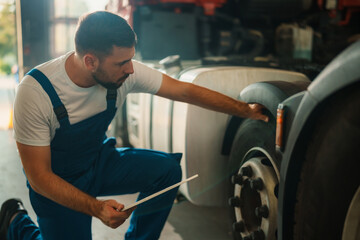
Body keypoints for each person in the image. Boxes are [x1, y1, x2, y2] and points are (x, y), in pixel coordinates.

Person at [1, 10, 268, 240]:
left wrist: (245, 109)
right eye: (122, 63)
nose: (131, 70)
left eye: (131, 59)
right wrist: (96, 207)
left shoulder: (124, 72)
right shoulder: (36, 92)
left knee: (167, 171)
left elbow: (184, 91)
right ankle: (16, 223)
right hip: (57, 181)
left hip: (98, 162)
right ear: (90, 61)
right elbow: (39, 177)